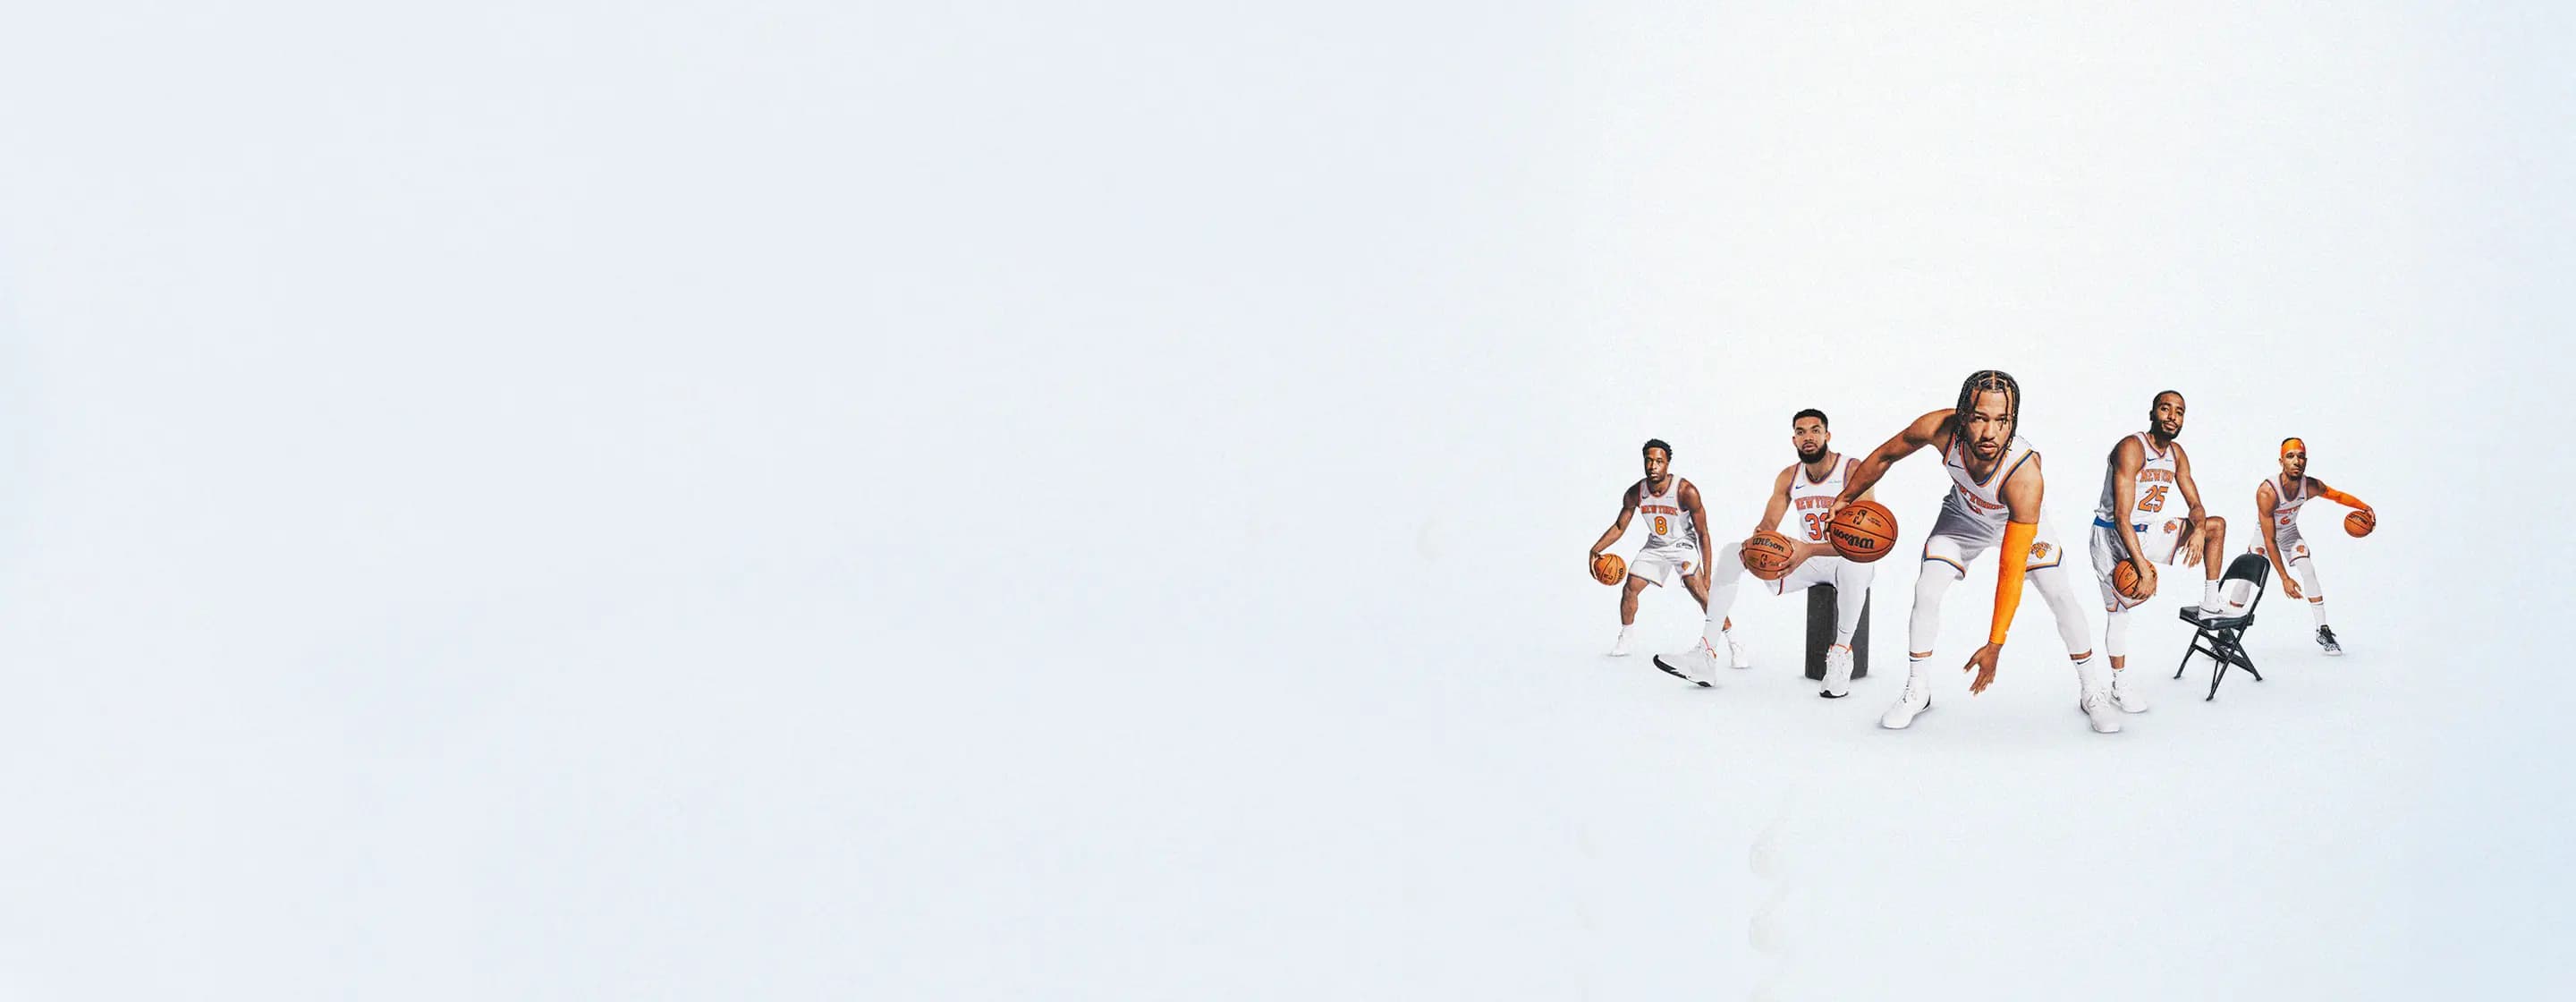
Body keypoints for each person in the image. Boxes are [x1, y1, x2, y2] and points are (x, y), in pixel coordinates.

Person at [1828, 370, 2121, 734]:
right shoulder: (1939, 428)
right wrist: (1846, 497)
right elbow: (1887, 455)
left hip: (2017, 522)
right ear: (1963, 414)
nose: (1990, 432)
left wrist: (1995, 644)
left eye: (2002, 421)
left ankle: (2092, 691)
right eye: (1980, 418)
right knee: (1926, 589)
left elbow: (2010, 570)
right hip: (1963, 516)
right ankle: (1918, 689)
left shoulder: (2024, 477)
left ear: (2012, 420)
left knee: (2060, 595)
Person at [1652, 410, 1873, 696]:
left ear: (1827, 436)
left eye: (1815, 430)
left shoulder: (1852, 469)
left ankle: (1841, 655)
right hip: (1804, 560)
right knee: (1735, 552)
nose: (1809, 437)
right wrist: (1761, 541)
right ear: (1794, 439)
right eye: (1801, 431)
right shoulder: (1789, 477)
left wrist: (1808, 549)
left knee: (1854, 564)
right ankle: (1705, 654)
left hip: (1848, 555)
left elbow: (1865, 537)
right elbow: (1769, 524)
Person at [2088, 391, 2229, 711]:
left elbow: (2196, 505)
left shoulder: (2176, 454)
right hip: (2111, 536)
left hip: (2146, 530)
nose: (2172, 416)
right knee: (2120, 614)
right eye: (2166, 409)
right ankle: (2119, 685)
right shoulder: (2131, 448)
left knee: (2217, 526)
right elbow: (2122, 518)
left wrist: (2200, 529)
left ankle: (2210, 602)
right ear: (2152, 412)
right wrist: (2144, 570)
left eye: (2179, 412)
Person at [1587, 438, 1725, 657]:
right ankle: (1626, 638)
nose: (1653, 466)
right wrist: (1595, 549)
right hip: (1656, 545)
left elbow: (1703, 534)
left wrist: (1707, 574)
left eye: (1659, 461)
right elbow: (1620, 526)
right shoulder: (1636, 492)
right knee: (1630, 588)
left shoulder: (1685, 491)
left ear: (1668, 463)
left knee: (1699, 591)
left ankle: (1734, 641)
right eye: (1649, 461)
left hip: (1682, 542)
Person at [2250, 437, 2372, 656]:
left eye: (2301, 456)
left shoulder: (2310, 486)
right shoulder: (2267, 492)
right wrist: (2285, 578)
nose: (2296, 461)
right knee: (2247, 577)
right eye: (2290, 456)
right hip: (2265, 537)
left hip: (2288, 534)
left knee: (2308, 569)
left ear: (2306, 461)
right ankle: (2224, 633)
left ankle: (2322, 630)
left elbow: (2337, 496)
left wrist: (2363, 506)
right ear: (2281, 461)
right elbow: (2270, 541)